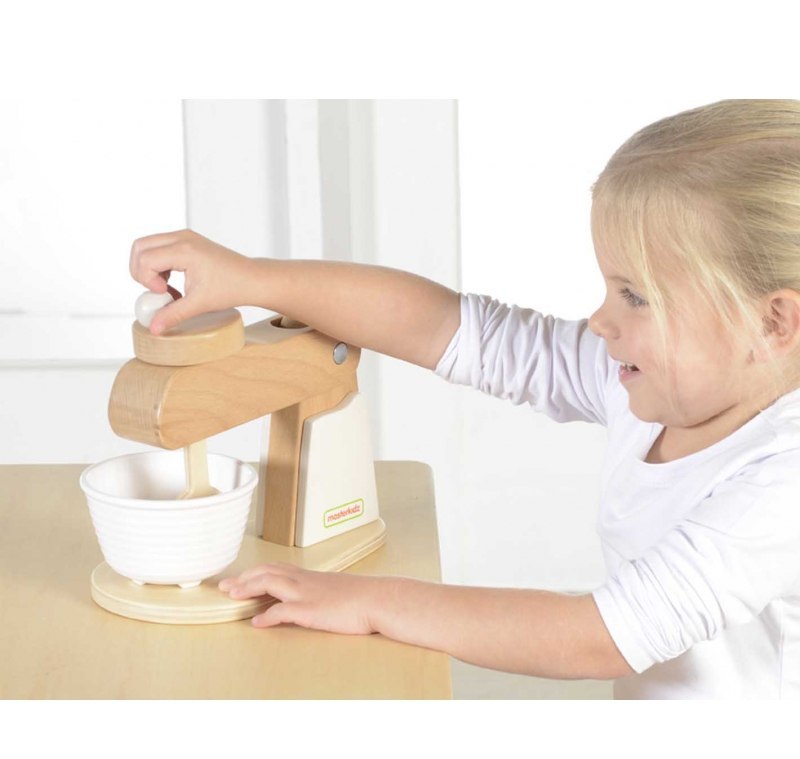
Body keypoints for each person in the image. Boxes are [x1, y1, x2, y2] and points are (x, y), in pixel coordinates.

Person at [129, 99, 800, 699]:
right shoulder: (656, 380)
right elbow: (451, 329)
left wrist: (374, 603)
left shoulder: (782, 482)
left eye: (636, 296)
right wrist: (251, 278)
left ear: (772, 323)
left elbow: (598, 638)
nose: (601, 321)